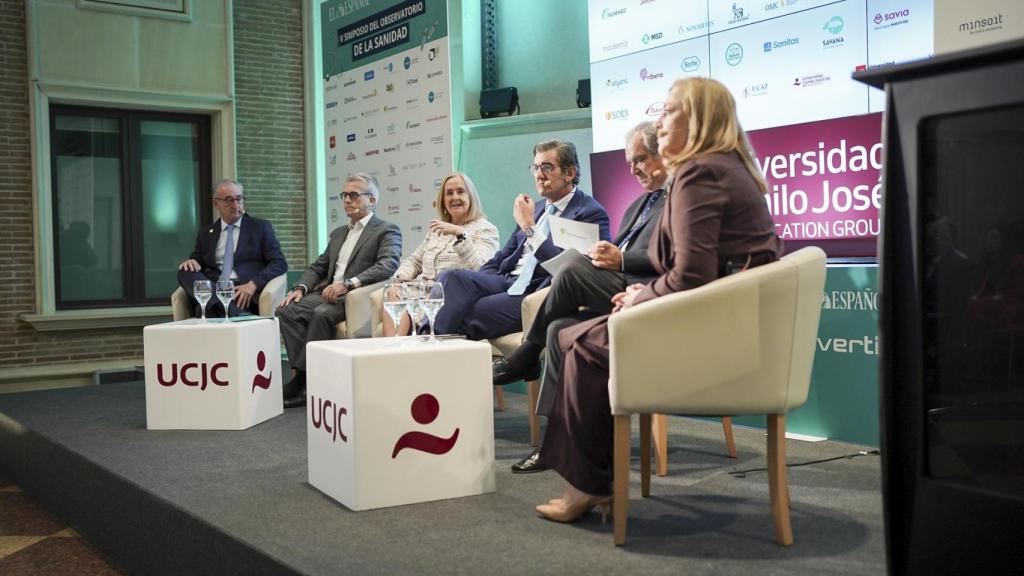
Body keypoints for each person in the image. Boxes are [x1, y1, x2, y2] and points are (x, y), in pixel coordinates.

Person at [534, 77, 783, 523]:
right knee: (572, 335)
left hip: (712, 335)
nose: (660, 119)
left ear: (701, 118)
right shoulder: (724, 167)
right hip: (726, 324)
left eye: (670, 110)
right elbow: (695, 270)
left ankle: (586, 486)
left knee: (581, 344)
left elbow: (692, 274)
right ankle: (590, 481)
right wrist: (642, 290)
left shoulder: (700, 172)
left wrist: (640, 296)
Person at [492, 121, 670, 474]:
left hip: (649, 294)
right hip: (619, 284)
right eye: (629, 162)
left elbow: (675, 258)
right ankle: (554, 443)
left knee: (571, 265)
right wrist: (607, 254)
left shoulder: (679, 199)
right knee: (559, 327)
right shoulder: (639, 204)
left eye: (642, 159)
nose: (634, 169)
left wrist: (621, 259)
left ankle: (526, 354)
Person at [431, 139, 611, 340]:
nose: (539, 175)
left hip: (537, 290)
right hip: (508, 281)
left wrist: (529, 227)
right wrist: (480, 283)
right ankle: (424, 344)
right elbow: (503, 257)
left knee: (468, 312)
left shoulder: (589, 213)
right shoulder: (538, 208)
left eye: (547, 167)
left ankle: (427, 352)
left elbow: (571, 270)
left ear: (570, 173)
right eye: (535, 167)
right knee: (451, 278)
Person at [276, 173, 402, 407]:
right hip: (326, 293)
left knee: (321, 314)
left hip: (354, 296)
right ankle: (302, 376)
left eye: (354, 195)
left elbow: (388, 266)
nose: (347, 200)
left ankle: (303, 382)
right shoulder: (338, 233)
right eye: (344, 195)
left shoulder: (386, 230)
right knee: (286, 310)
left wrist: (349, 284)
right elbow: (319, 266)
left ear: (372, 200)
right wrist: (301, 288)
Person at [382, 172, 499, 336]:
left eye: (460, 191)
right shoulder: (437, 230)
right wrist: (399, 278)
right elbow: (415, 260)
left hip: (448, 295)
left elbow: (481, 269)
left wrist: (460, 234)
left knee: (413, 301)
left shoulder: (486, 229)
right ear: (443, 200)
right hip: (423, 291)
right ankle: (393, 351)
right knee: (393, 291)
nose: (455, 197)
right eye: (449, 193)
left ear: (471, 196)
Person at [177, 179, 287, 317]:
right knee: (184, 271)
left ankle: (220, 308)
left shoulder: (260, 228)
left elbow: (279, 263)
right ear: (216, 203)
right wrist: (191, 262)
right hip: (216, 287)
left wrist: (253, 284)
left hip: (242, 293)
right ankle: (229, 310)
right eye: (229, 200)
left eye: (239, 199)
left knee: (203, 311)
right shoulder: (206, 233)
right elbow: (198, 259)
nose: (235, 205)